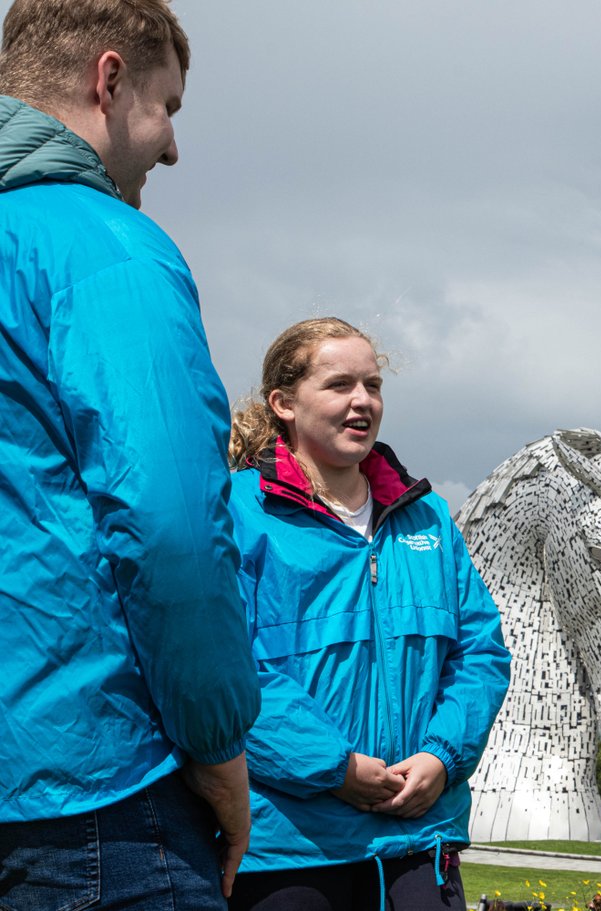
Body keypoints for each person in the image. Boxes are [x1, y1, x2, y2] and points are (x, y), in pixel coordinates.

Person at [0, 0, 262, 907]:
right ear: (108, 82)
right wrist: (221, 747)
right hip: (94, 797)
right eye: (168, 108)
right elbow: (171, 529)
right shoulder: (104, 244)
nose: (173, 149)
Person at [226, 317, 511, 911]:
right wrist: (336, 768)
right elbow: (225, 670)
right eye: (338, 385)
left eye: (373, 385)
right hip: (291, 844)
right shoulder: (238, 514)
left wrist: (441, 755)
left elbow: (480, 651)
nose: (362, 402)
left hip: (418, 836)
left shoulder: (427, 516)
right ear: (283, 402)